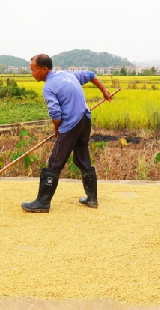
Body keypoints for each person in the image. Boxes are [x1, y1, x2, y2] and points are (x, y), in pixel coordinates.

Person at [22, 54, 111, 213]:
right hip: (85, 119)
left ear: (44, 69)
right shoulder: (67, 74)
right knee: (82, 156)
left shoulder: (48, 87)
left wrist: (56, 128)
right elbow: (91, 75)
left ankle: (42, 202)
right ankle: (92, 199)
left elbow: (56, 115)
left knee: (56, 161)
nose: (32, 73)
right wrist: (104, 91)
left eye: (33, 70)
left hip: (72, 123)